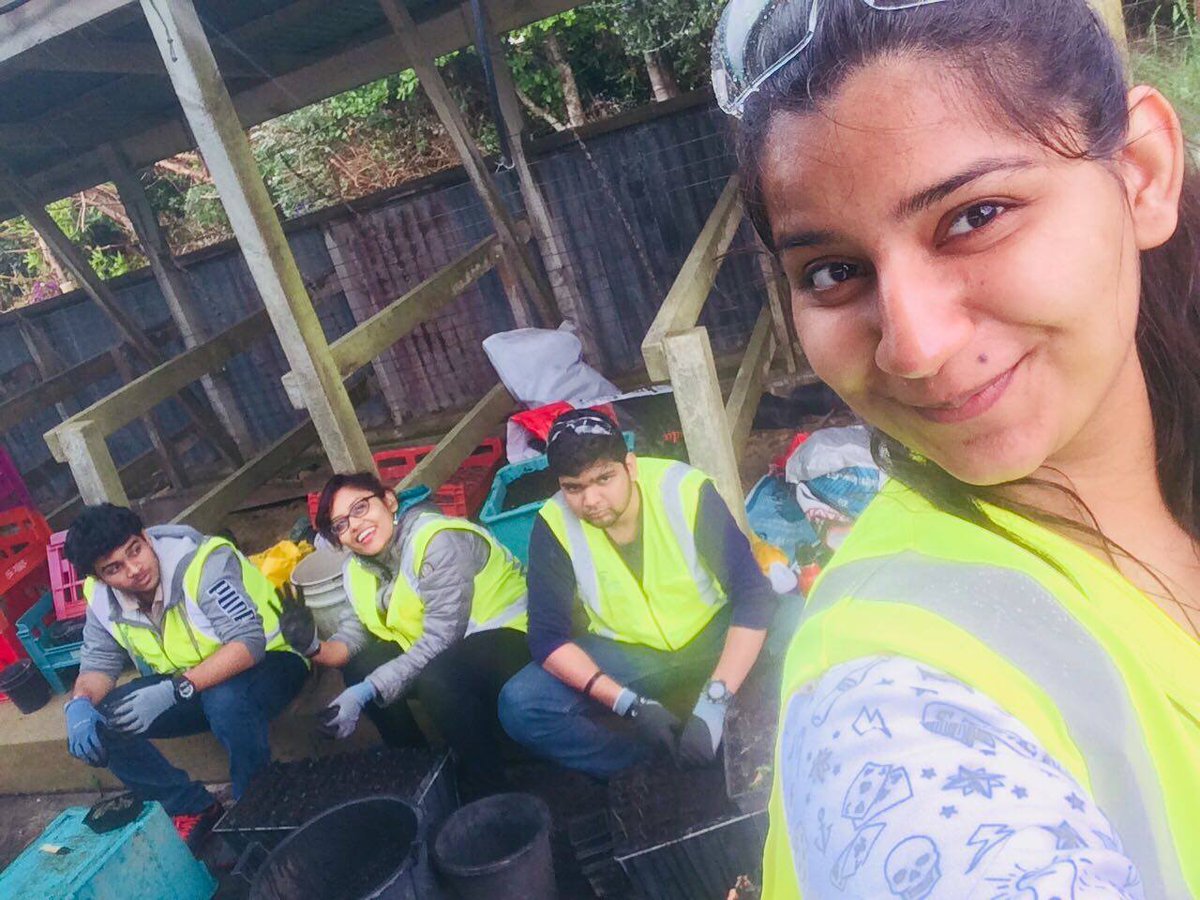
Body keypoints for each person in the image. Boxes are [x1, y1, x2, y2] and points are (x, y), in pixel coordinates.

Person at [711, 0, 1200, 895]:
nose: (915, 347)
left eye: (975, 216)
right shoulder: (889, 699)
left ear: (1141, 174)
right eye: (833, 271)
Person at [498, 409, 777, 777]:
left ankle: (766, 740)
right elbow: (547, 639)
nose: (591, 499)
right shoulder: (553, 524)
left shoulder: (684, 490)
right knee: (520, 703)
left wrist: (714, 704)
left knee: (800, 622)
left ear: (630, 466)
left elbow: (754, 595)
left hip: (712, 631)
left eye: (604, 478)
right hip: (628, 650)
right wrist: (628, 704)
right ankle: (644, 769)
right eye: (574, 488)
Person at [63, 505, 307, 848]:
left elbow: (248, 643)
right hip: (191, 685)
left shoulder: (202, 563)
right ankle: (192, 806)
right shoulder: (101, 598)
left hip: (273, 662)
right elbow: (99, 664)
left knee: (226, 701)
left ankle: (257, 810)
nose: (134, 570)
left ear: (147, 537)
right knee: (103, 719)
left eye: (135, 549)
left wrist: (177, 689)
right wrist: (80, 705)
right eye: (114, 568)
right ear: (99, 577)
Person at [284, 474, 529, 794]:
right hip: (450, 656)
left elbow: (442, 638)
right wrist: (312, 646)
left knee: (439, 679)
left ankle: (491, 786)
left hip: (513, 638)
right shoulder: (358, 569)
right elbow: (354, 636)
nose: (355, 526)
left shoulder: (437, 541)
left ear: (388, 501)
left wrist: (365, 692)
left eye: (360, 508)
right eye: (341, 524)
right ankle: (420, 772)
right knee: (361, 666)